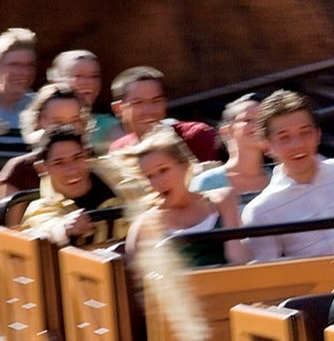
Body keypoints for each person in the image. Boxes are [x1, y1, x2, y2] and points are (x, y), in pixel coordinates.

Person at [241, 90, 334, 260]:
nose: (298, 144)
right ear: (267, 146)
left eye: (305, 133)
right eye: (284, 137)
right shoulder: (260, 210)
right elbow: (269, 272)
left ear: (318, 135)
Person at [121, 127, 251, 269]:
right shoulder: (144, 225)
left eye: (163, 170)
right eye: (149, 176)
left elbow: (240, 261)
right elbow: (139, 282)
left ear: (184, 166)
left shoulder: (222, 200)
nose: (158, 181)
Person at [19, 127, 129, 249]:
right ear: (42, 168)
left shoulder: (121, 183)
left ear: (86, 156)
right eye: (59, 163)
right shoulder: (41, 208)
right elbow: (43, 229)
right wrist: (64, 228)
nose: (72, 170)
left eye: (77, 158)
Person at [0, 83, 91, 197]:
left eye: (75, 121)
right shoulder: (20, 169)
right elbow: (8, 214)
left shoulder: (96, 164)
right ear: (38, 122)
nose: (67, 129)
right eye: (57, 122)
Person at [108, 66, 219, 162]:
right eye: (138, 103)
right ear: (118, 109)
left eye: (156, 101)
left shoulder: (196, 136)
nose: (149, 110)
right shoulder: (120, 150)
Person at [190, 95, 271, 201]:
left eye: (262, 120)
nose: (257, 125)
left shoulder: (279, 177)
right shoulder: (205, 183)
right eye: (248, 119)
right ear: (226, 131)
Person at [46, 49, 120, 147]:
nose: (89, 82)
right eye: (79, 76)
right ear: (56, 81)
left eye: (94, 76)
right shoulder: (41, 122)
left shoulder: (110, 126)